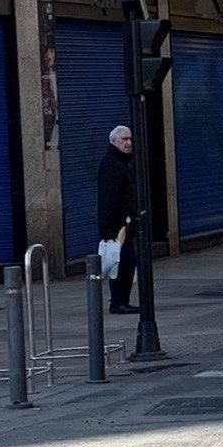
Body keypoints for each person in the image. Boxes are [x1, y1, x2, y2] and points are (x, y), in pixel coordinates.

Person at [98, 125, 138, 315]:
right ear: (114, 141)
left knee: (127, 263)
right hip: (117, 227)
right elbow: (108, 198)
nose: (128, 143)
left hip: (125, 224)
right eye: (124, 139)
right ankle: (118, 302)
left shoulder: (122, 162)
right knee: (120, 263)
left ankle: (122, 300)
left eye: (130, 139)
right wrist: (109, 229)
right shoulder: (112, 165)